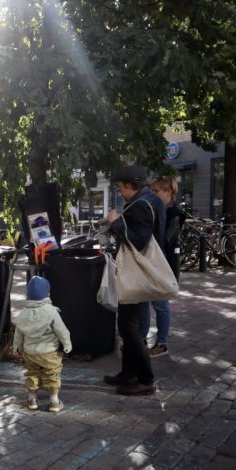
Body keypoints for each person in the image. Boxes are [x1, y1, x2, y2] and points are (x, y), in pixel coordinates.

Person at [105, 164, 165, 396]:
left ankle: (145, 378)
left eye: (121, 187)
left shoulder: (141, 205)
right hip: (140, 273)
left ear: (132, 185)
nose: (120, 192)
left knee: (129, 328)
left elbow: (138, 240)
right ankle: (128, 373)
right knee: (129, 325)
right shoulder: (152, 200)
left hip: (136, 273)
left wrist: (115, 221)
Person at [13, 276, 72, 412]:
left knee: (32, 373)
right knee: (52, 374)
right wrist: (67, 344)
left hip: (30, 353)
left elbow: (19, 333)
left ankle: (32, 399)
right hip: (49, 352)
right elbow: (61, 330)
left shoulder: (23, 313)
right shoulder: (51, 311)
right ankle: (54, 401)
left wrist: (17, 347)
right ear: (48, 294)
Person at [139, 176, 183, 357]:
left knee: (160, 305)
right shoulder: (156, 210)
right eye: (153, 191)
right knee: (143, 302)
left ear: (169, 192)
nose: (154, 195)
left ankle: (162, 343)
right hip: (151, 264)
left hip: (162, 266)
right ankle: (141, 339)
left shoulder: (174, 214)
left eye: (157, 191)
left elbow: (167, 243)